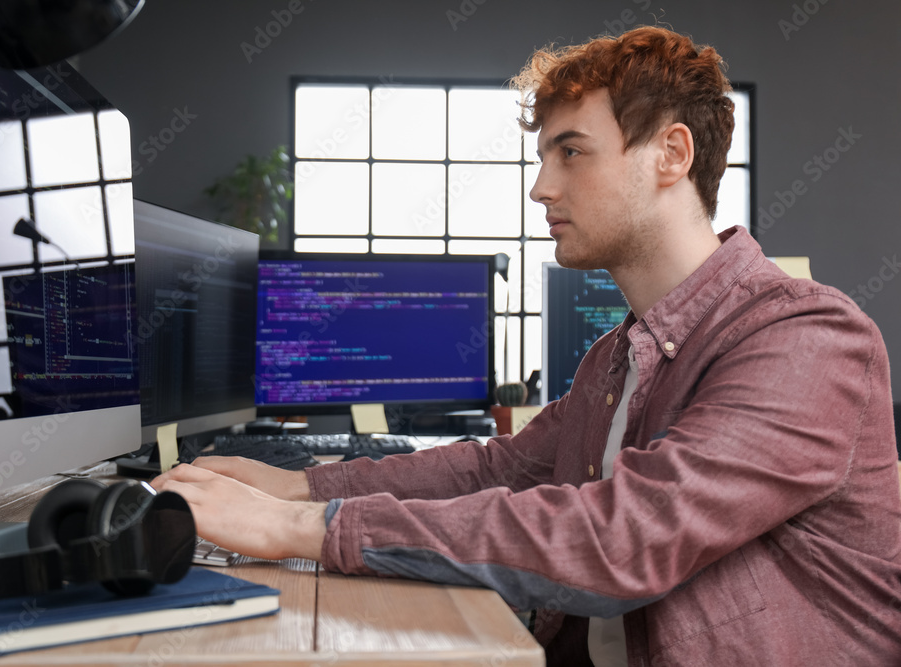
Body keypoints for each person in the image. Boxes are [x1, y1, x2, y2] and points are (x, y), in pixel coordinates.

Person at [153, 26, 901, 665]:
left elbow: (625, 540)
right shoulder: (615, 359)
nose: (541, 187)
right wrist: (295, 486)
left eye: (571, 153)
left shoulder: (806, 340)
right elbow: (496, 468)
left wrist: (297, 529)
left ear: (672, 154)